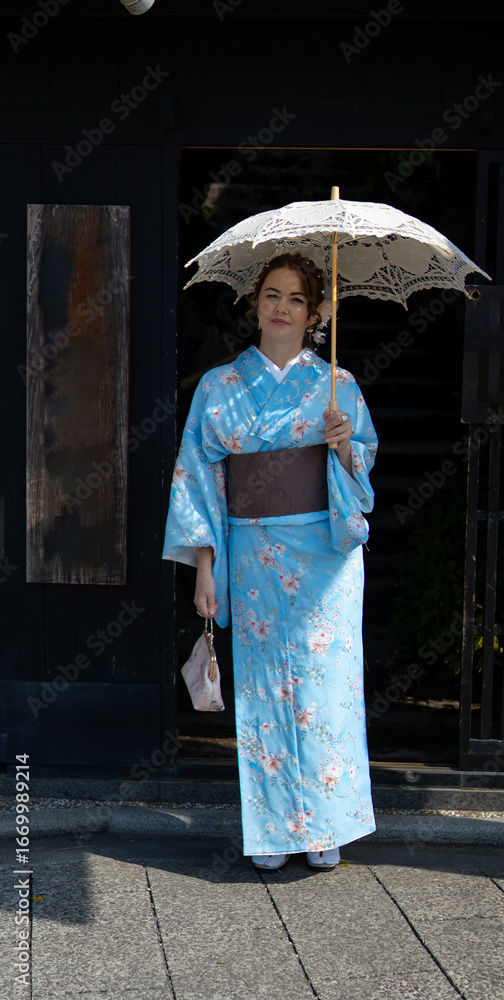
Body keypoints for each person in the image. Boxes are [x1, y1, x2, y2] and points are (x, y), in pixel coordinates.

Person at [163, 252, 377, 870]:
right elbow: (199, 478)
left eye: (296, 300)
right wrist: (205, 565)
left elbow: (361, 472)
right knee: (264, 687)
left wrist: (342, 447)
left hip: (324, 553)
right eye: (272, 295)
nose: (281, 308)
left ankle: (325, 825)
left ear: (315, 315)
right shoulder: (219, 386)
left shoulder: (337, 385)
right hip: (252, 549)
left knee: (325, 685)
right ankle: (276, 829)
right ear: (255, 303)